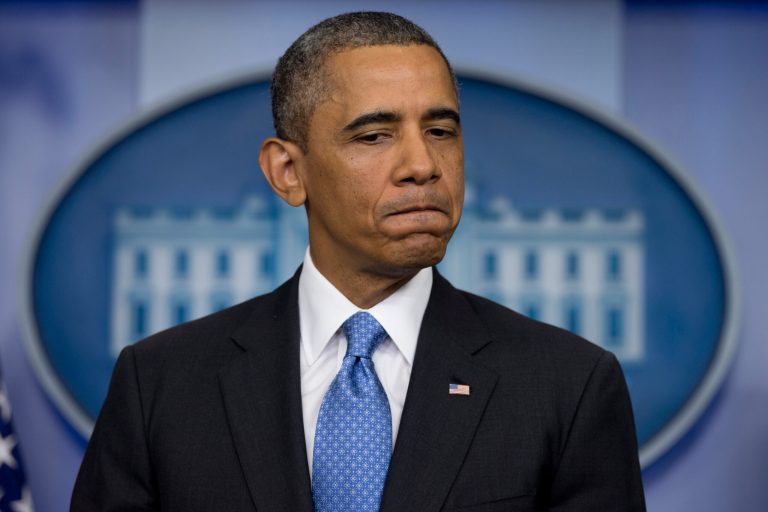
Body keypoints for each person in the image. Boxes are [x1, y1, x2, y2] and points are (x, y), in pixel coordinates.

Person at [71, 11, 646, 512]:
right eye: (374, 136)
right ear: (288, 172)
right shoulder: (160, 384)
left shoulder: (569, 386)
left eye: (440, 130)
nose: (423, 165)